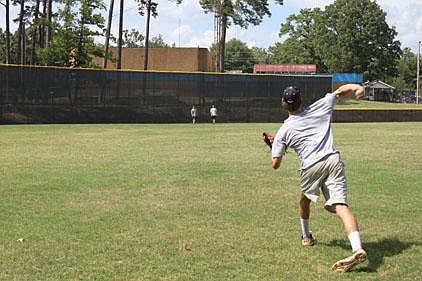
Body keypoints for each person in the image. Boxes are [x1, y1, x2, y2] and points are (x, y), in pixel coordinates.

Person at [269, 84, 367, 273]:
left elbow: (275, 164)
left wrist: (274, 146)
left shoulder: (284, 131)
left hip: (311, 166)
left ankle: (306, 237)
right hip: (332, 159)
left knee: (304, 201)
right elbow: (340, 92)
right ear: (301, 101)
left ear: (283, 104)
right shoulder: (321, 105)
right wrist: (357, 88)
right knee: (341, 206)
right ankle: (357, 248)